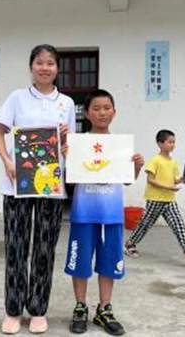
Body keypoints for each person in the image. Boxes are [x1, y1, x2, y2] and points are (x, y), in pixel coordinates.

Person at [0, 44, 76, 334]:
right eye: (39, 62)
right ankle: (13, 310)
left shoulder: (66, 103)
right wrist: (7, 161)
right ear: (31, 66)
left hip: (50, 186)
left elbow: (69, 147)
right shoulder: (17, 98)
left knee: (44, 248)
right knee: (16, 247)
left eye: (50, 63)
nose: (45, 68)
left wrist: (66, 141)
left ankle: (38, 309)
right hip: (17, 184)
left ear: (57, 68)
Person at [63, 89, 144, 336]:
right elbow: (69, 179)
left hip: (111, 214)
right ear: (87, 113)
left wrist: (136, 167)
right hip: (83, 213)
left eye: (107, 108)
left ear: (114, 112)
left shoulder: (120, 146)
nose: (102, 113)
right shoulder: (77, 144)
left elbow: (126, 180)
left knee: (109, 262)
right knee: (80, 262)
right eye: (96, 108)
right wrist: (67, 159)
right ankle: (80, 307)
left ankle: (104, 309)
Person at [124, 129, 185, 268]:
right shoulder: (155, 160)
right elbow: (150, 180)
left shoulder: (173, 162)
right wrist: (168, 187)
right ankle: (130, 244)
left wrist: (182, 179)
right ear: (160, 143)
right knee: (145, 224)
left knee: (179, 226)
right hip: (155, 199)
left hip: (169, 200)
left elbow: (174, 180)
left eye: (174, 142)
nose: (173, 145)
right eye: (170, 142)